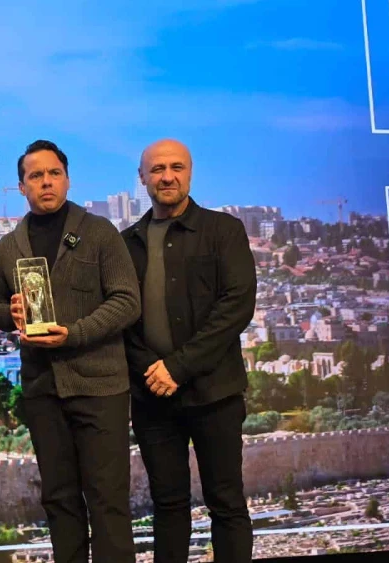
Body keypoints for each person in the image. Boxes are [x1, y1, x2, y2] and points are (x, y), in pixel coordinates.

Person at [0, 139, 141, 562]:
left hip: (100, 387)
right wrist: (9, 310)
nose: (46, 182)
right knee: (58, 499)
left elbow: (128, 301)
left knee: (108, 500)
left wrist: (73, 334)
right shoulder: (9, 245)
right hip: (43, 390)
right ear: (22, 187)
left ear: (68, 179)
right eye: (36, 176)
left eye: (54, 173)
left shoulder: (99, 232)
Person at [122, 139, 257, 563]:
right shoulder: (126, 243)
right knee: (168, 508)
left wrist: (177, 368)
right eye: (157, 169)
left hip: (215, 393)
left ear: (190, 172)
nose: (167, 176)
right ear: (142, 178)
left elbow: (236, 306)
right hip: (152, 398)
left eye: (176, 167)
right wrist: (153, 372)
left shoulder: (224, 230)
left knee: (227, 503)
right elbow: (121, 318)